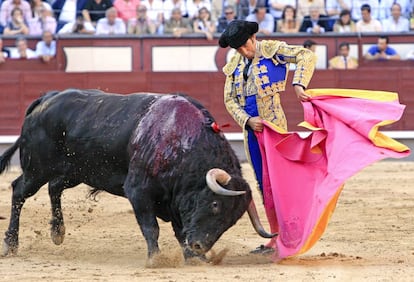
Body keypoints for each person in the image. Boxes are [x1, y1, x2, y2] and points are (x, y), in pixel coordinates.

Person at [218, 20, 316, 254]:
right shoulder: (235, 65)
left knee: (280, 181)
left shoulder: (273, 50)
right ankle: (275, 236)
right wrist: (247, 121)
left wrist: (299, 84)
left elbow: (306, 56)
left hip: (274, 128)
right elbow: (230, 99)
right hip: (252, 132)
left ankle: (291, 234)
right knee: (264, 184)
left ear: (253, 38)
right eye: (237, 49)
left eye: (244, 46)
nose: (243, 51)